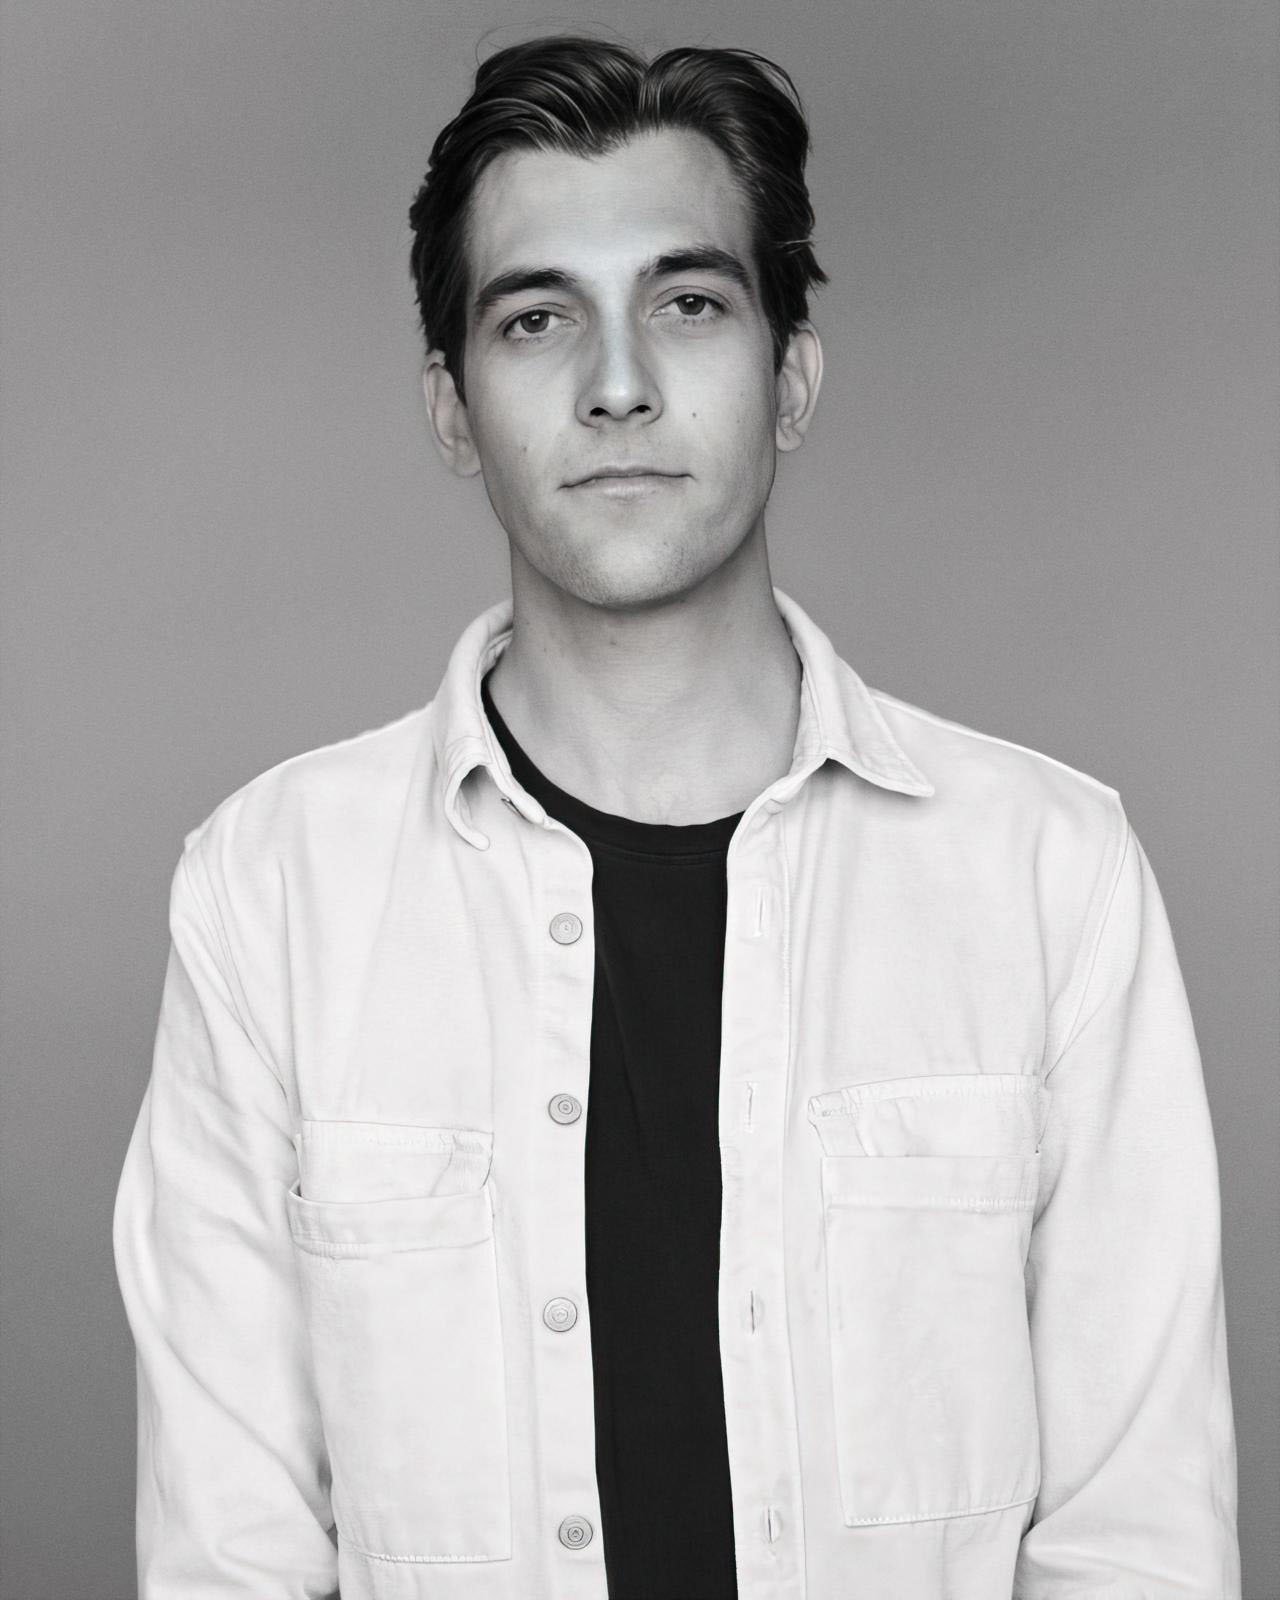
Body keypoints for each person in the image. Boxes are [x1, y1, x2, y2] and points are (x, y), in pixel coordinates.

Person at [112, 33, 1241, 1600]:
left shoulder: (1050, 877)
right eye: (536, 319)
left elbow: (1140, 1549)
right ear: (452, 409)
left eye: (689, 302)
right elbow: (230, 1559)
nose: (619, 382)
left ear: (790, 379)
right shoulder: (270, 895)